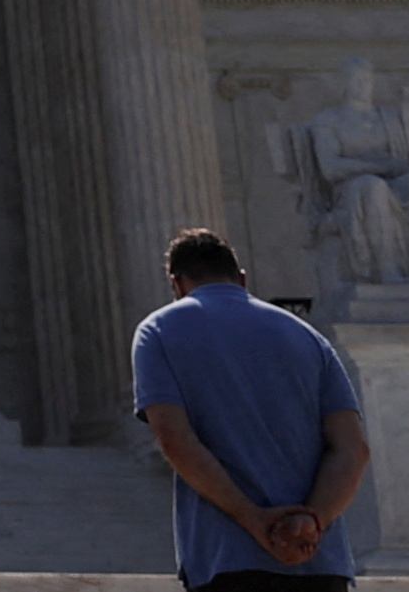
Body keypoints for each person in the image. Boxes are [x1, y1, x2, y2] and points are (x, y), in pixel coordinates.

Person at [130, 229, 370, 588]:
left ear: (177, 284)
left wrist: (255, 520)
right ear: (242, 278)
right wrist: (312, 522)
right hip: (319, 561)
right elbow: (353, 449)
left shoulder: (159, 330)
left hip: (229, 558)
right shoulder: (308, 337)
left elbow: (175, 439)